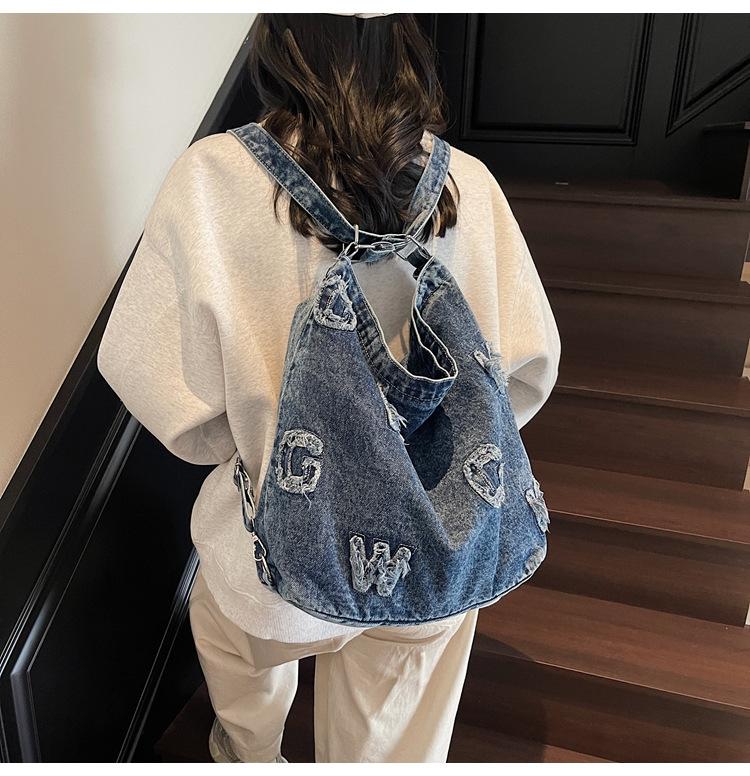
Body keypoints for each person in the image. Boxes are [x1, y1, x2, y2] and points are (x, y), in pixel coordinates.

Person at [97, 12, 560, 764]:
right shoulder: (469, 185)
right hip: (436, 551)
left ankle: (249, 755)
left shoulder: (210, 181)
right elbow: (529, 373)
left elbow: (157, 384)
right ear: (405, 39)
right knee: (392, 742)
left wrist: (255, 436)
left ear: (280, 37)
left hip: (276, 561)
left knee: (230, 636)